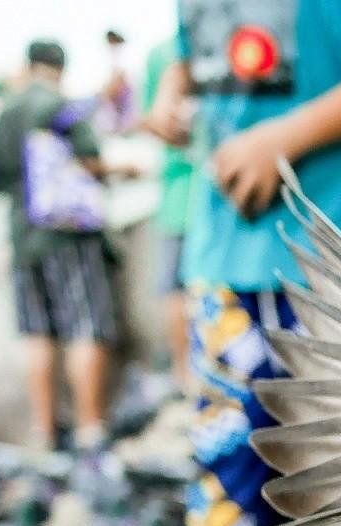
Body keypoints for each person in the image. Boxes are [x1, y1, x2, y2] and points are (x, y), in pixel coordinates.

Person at [147, 1, 341, 526]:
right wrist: (168, 97)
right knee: (234, 495)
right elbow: (189, 54)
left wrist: (284, 137)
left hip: (339, 265)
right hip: (223, 265)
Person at [0, 40, 128, 454]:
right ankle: (89, 429)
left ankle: (45, 432)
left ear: (28, 64)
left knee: (37, 333)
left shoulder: (9, 110)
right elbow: (89, 161)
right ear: (60, 68)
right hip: (69, 236)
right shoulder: (61, 105)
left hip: (23, 238)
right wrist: (124, 168)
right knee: (86, 326)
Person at [140, 38, 194, 390]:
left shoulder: (160, 52)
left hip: (180, 196)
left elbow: (154, 120)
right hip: (215, 192)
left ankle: (185, 375)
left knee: (176, 289)